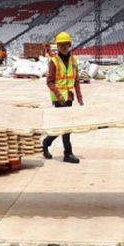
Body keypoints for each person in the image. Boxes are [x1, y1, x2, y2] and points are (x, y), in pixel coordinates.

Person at [41, 31, 83, 164]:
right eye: (61, 44)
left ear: (69, 45)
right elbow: (49, 81)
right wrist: (58, 95)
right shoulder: (54, 61)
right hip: (59, 98)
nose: (64, 46)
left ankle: (46, 142)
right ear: (57, 46)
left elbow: (75, 79)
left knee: (62, 126)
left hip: (69, 97)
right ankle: (68, 153)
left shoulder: (73, 60)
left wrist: (79, 97)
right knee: (66, 127)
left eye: (66, 44)